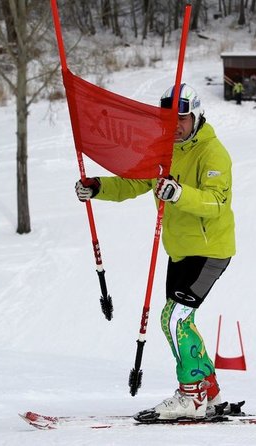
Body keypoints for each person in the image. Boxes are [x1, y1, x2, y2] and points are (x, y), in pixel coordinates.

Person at [75, 84, 235, 421]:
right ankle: (211, 393)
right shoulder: (162, 150)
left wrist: (179, 194)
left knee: (173, 318)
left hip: (209, 250)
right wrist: (99, 187)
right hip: (179, 251)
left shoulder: (213, 153)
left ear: (197, 117)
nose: (175, 125)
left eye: (182, 118)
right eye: (168, 119)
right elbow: (135, 182)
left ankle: (191, 398)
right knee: (178, 322)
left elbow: (216, 203)